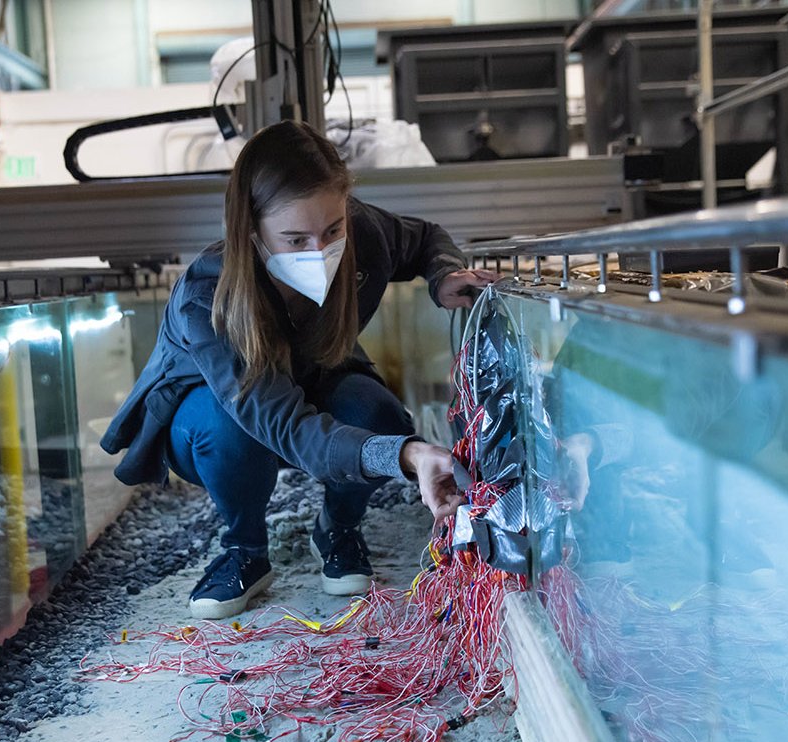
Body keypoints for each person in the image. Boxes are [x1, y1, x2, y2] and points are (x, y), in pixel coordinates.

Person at [101, 121, 495, 619]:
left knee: (379, 415)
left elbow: (424, 239)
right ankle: (243, 548)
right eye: (294, 238)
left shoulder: (365, 234)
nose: (320, 252)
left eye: (332, 230)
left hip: (317, 376)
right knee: (227, 432)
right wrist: (407, 456)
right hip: (216, 411)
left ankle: (338, 528)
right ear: (252, 231)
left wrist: (442, 275)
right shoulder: (207, 296)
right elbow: (283, 423)